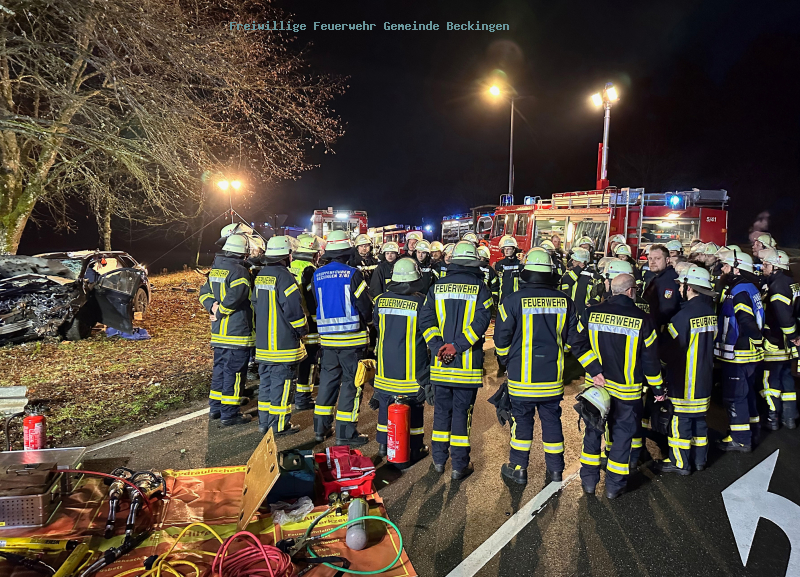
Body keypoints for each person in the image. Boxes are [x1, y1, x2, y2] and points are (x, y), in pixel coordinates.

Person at [493, 248, 589, 485]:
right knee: (552, 422)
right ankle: (556, 469)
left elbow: (501, 339)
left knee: (522, 424)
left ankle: (518, 469)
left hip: (521, 379)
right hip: (552, 378)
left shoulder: (512, 300)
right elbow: (575, 339)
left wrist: (506, 362)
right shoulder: (564, 302)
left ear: (526, 273)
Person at [573, 273, 665, 499]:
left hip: (597, 389)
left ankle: (589, 481)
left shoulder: (591, 312)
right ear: (631, 291)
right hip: (627, 392)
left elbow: (575, 342)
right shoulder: (643, 319)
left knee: (593, 433)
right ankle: (614, 486)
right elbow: (650, 362)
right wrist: (658, 390)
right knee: (622, 438)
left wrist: (594, 369)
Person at [420, 241, 493, 480]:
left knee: (441, 413)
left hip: (441, 365)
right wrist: (457, 346)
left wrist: (439, 347)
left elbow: (426, 321)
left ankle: (439, 461)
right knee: (462, 415)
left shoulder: (436, 287)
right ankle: (460, 466)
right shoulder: (481, 289)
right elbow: (481, 325)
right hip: (467, 365)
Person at [312, 231, 374, 445]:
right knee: (351, 385)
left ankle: (321, 429)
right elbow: (365, 306)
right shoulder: (352, 273)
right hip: (351, 342)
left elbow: (316, 302)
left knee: (328, 384)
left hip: (327, 341)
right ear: (347, 253)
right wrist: (370, 323)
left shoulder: (317, 274)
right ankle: (345, 434)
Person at [658, 265, 718, 475]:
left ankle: (680, 463)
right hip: (704, 381)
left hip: (685, 383)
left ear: (690, 288)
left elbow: (668, 351)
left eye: (682, 285)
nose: (680, 289)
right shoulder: (710, 313)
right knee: (700, 423)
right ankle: (700, 460)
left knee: (680, 423)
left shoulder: (682, 317)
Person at [372, 258, 431, 465]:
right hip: (411, 368)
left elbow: (378, 326)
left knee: (385, 404)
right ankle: (415, 448)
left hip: (386, 366)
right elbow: (428, 332)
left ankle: (382, 445)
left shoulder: (380, 300)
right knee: (414, 407)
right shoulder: (421, 302)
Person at [252, 236, 308, 436]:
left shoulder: (261, 276)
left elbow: (255, 304)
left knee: (266, 384)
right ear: (287, 256)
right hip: (283, 344)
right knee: (283, 385)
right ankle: (279, 426)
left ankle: (264, 423)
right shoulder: (285, 277)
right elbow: (293, 309)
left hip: (264, 344)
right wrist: (302, 330)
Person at [198, 233, 255, 426]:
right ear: (243, 253)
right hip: (236, 332)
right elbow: (237, 296)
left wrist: (212, 307)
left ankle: (216, 408)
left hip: (218, 332)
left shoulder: (216, 269)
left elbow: (203, 293)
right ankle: (230, 413)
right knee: (235, 372)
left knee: (220, 370)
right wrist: (221, 311)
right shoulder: (239, 271)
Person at [714, 249, 766, 452]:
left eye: (727, 266)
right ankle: (752, 430)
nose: (723, 269)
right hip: (747, 352)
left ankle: (741, 439)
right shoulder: (749, 287)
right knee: (747, 394)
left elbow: (746, 320)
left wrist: (756, 339)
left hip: (738, 353)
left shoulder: (739, 291)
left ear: (737, 269)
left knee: (735, 396)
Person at [759, 248, 799, 430]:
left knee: (770, 381)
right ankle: (790, 417)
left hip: (776, 341)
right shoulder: (790, 282)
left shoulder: (778, 287)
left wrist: (793, 335)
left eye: (766, 265)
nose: (763, 268)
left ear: (775, 267)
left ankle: (773, 418)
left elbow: (783, 316)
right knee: (786, 378)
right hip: (788, 343)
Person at [289, 234, 320, 411]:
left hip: (291, 320)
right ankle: (303, 397)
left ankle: (294, 395)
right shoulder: (310, 270)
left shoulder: (291, 267)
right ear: (314, 254)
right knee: (309, 360)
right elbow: (312, 299)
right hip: (308, 322)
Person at [642, 244, 682, 331]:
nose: (652, 262)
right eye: (650, 258)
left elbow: (667, 309)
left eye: (657, 258)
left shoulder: (669, 280)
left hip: (662, 330)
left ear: (667, 260)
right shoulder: (658, 277)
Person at [559, 247, 598, 318]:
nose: (572, 262)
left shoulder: (593, 275)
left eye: (575, 260)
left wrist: (593, 301)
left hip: (583, 313)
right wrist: (578, 269)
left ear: (582, 263)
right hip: (568, 312)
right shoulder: (571, 273)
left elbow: (599, 292)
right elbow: (566, 281)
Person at [494, 235, 523, 305]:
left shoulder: (520, 264)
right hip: (503, 298)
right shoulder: (499, 265)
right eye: (504, 249)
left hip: (516, 298)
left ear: (514, 250)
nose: (506, 251)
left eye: (509, 249)